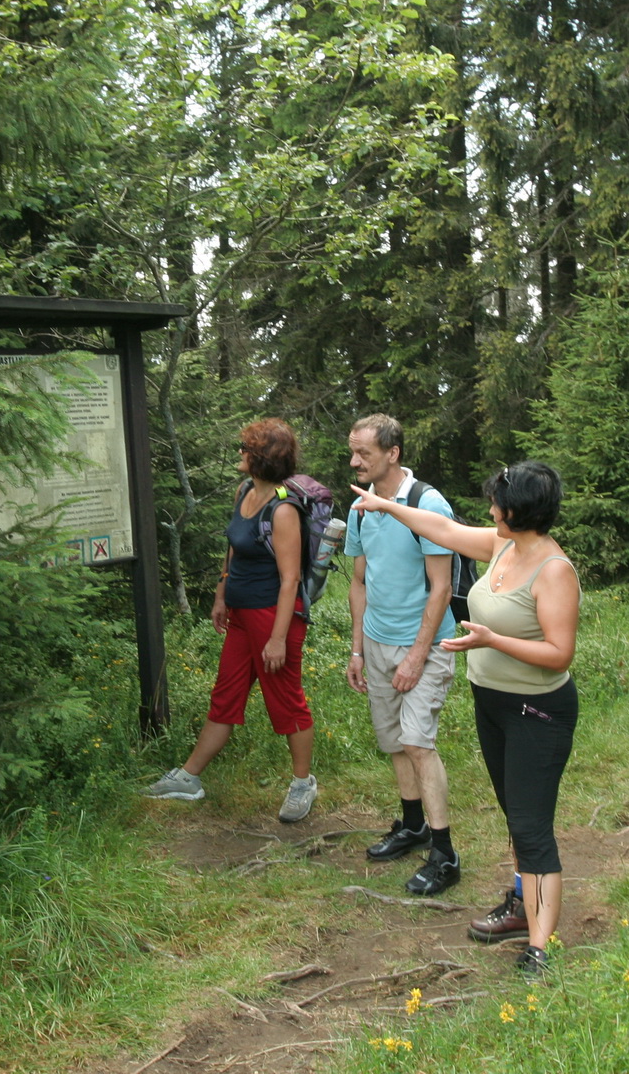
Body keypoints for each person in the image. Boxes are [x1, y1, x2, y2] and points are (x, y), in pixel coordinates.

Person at [350, 461, 579, 977]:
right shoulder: (503, 546)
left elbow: (559, 653)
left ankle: (539, 949)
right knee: (515, 814)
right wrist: (387, 506)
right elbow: (444, 530)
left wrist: (493, 640)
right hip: (494, 705)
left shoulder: (553, 569)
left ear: (519, 510)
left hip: (537, 712)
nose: (490, 509)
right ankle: (522, 902)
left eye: (498, 502)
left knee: (531, 827)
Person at [144, 419, 318, 823]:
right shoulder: (245, 491)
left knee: (285, 701)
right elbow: (234, 547)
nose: (240, 452)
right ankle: (189, 778)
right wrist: (222, 594)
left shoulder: (283, 509)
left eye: (246, 447)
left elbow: (290, 579)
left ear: (263, 457)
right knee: (226, 694)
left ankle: (302, 783)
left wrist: (277, 638)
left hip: (274, 618)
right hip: (241, 615)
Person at [344, 414, 461, 895]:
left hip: (425, 645)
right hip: (376, 642)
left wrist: (416, 655)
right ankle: (413, 827)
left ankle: (445, 853)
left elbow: (441, 587)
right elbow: (358, 581)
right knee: (393, 740)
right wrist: (356, 650)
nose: (355, 462)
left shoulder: (427, 503)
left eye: (364, 453)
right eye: (352, 453)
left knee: (417, 742)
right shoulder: (360, 507)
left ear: (392, 453)